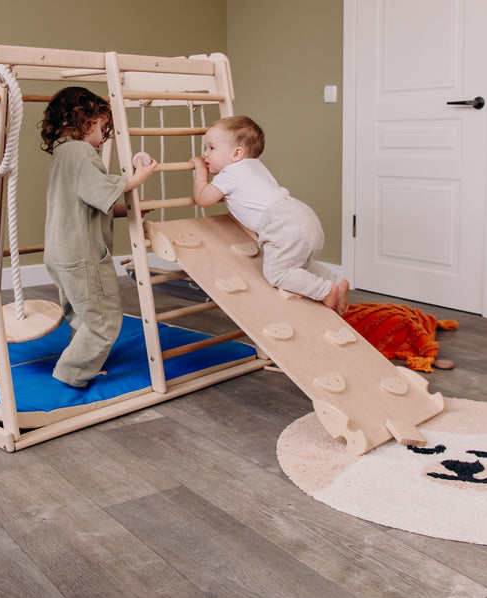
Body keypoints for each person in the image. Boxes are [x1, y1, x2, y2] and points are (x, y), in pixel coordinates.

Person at [40, 86, 158, 388]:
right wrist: (139, 177)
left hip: (59, 251)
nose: (103, 137)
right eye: (102, 128)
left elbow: (83, 201)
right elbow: (96, 191)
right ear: (83, 119)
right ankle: (73, 371)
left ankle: (83, 362)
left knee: (82, 314)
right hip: (82, 255)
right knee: (103, 321)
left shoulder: (63, 151)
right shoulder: (82, 152)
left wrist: (122, 210)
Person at [190, 115, 349, 314]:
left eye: (211, 148)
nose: (205, 154)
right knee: (298, 263)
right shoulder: (256, 167)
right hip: (303, 214)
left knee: (277, 273)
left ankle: (324, 290)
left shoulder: (229, 174)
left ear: (237, 153)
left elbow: (204, 199)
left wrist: (200, 171)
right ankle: (336, 282)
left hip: (282, 223)